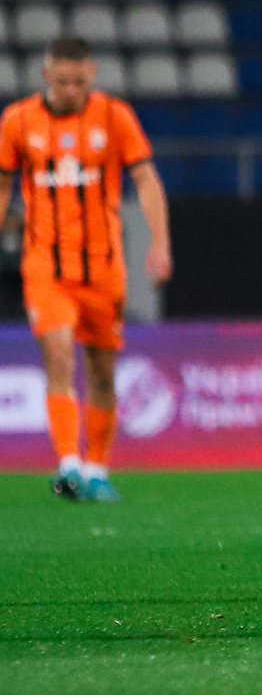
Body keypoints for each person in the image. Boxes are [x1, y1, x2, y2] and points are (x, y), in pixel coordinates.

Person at [0, 37, 172, 503]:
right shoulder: (18, 120)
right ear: (46, 76)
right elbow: (2, 185)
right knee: (58, 355)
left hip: (103, 269)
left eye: (79, 81)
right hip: (45, 266)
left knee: (102, 372)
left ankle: (97, 468)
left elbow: (145, 178)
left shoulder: (115, 117)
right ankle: (69, 466)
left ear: (92, 74)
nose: (71, 90)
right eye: (62, 81)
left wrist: (160, 243)